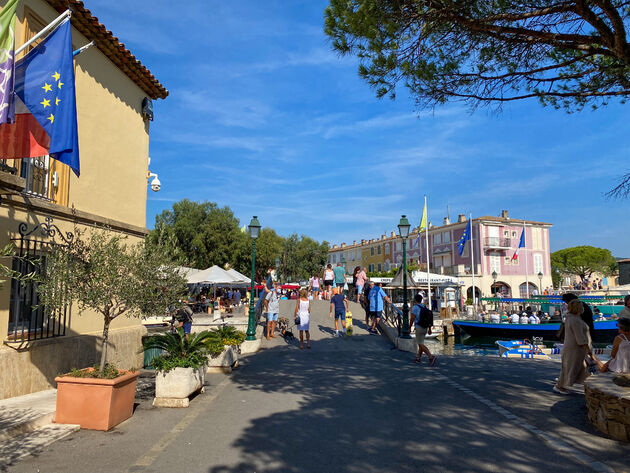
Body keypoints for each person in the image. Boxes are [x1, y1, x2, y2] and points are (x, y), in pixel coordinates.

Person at [554, 299, 593, 394]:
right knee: (571, 367)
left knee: (580, 368)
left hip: (574, 348)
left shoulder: (571, 318)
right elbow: (579, 337)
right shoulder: (575, 320)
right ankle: (560, 386)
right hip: (576, 349)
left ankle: (589, 386)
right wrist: (587, 349)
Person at [410, 294, 437, 366]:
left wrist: (409, 327)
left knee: (420, 344)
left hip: (419, 327)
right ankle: (418, 358)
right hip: (425, 327)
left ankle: (431, 357)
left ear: (415, 300)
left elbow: (412, 318)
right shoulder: (424, 307)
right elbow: (428, 318)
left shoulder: (415, 307)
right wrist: (430, 329)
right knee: (421, 343)